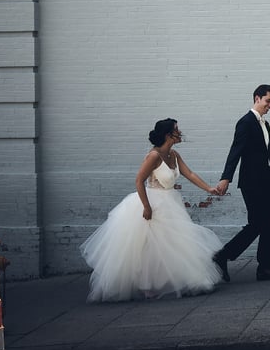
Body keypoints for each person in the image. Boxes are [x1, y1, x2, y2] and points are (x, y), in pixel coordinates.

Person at [80, 118, 224, 301]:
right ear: (167, 135)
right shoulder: (153, 156)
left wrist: (209, 188)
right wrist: (147, 207)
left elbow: (190, 174)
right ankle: (148, 286)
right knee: (150, 247)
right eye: (176, 130)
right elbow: (139, 180)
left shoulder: (174, 155)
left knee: (171, 245)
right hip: (152, 203)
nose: (180, 132)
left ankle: (172, 281)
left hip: (171, 202)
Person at [212, 84, 270, 281]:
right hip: (252, 183)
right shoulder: (245, 122)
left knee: (268, 226)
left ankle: (265, 268)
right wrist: (226, 178)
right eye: (268, 101)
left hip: (267, 180)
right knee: (256, 224)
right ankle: (223, 255)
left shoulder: (264, 123)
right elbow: (235, 150)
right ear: (257, 98)